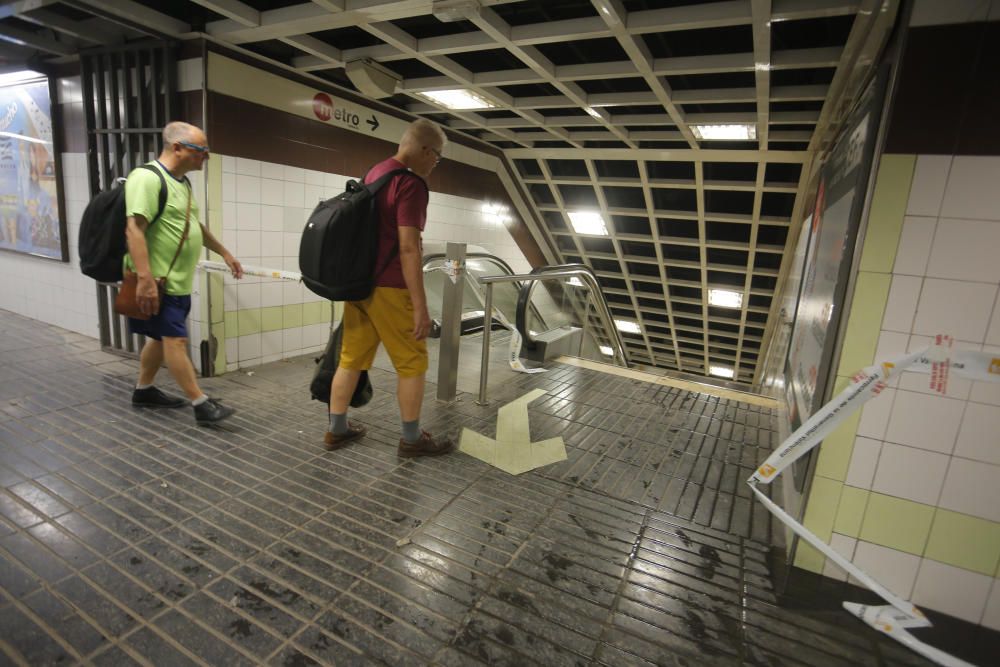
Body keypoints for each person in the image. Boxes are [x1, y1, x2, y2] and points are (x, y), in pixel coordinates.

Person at [325, 119, 453, 457]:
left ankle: (337, 430)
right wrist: (421, 307)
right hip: (391, 287)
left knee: (351, 358)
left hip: (360, 284)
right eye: (437, 158)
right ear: (426, 150)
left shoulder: (375, 173)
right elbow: (409, 247)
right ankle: (412, 440)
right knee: (412, 363)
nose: (434, 165)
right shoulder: (410, 184)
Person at [124, 121, 243, 425]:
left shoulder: (182, 183)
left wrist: (225, 253)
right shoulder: (147, 179)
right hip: (158, 282)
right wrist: (146, 280)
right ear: (176, 148)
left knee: (160, 339)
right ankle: (201, 404)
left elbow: (193, 227)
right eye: (201, 150)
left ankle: (144, 390)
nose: (206, 157)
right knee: (175, 340)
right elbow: (134, 229)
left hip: (175, 282)